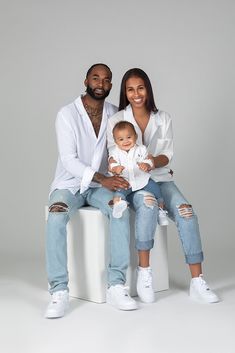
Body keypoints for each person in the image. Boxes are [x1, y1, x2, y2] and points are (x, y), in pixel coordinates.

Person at [45, 64, 158, 318]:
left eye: (106, 80)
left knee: (119, 209)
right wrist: (101, 177)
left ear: (110, 85)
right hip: (70, 184)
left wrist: (139, 170)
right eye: (96, 78)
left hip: (101, 186)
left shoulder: (115, 114)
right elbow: (68, 159)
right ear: (86, 80)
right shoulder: (66, 114)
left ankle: (116, 285)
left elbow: (125, 148)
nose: (100, 83)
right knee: (55, 215)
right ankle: (59, 291)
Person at [107, 68, 219, 304]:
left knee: (187, 213)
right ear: (124, 93)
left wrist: (151, 162)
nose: (136, 94)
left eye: (140, 88)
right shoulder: (117, 120)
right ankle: (144, 273)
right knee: (148, 208)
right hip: (134, 183)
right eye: (130, 89)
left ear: (147, 89)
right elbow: (112, 152)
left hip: (160, 177)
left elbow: (167, 154)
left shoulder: (163, 118)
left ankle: (197, 281)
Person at [109, 120, 168, 226]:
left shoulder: (141, 149)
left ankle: (161, 211)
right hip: (126, 182)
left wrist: (147, 164)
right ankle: (118, 206)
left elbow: (148, 159)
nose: (126, 141)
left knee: (156, 190)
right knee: (119, 192)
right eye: (121, 139)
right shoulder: (115, 152)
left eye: (129, 137)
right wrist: (116, 168)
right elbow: (112, 163)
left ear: (135, 136)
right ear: (116, 141)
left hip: (142, 180)